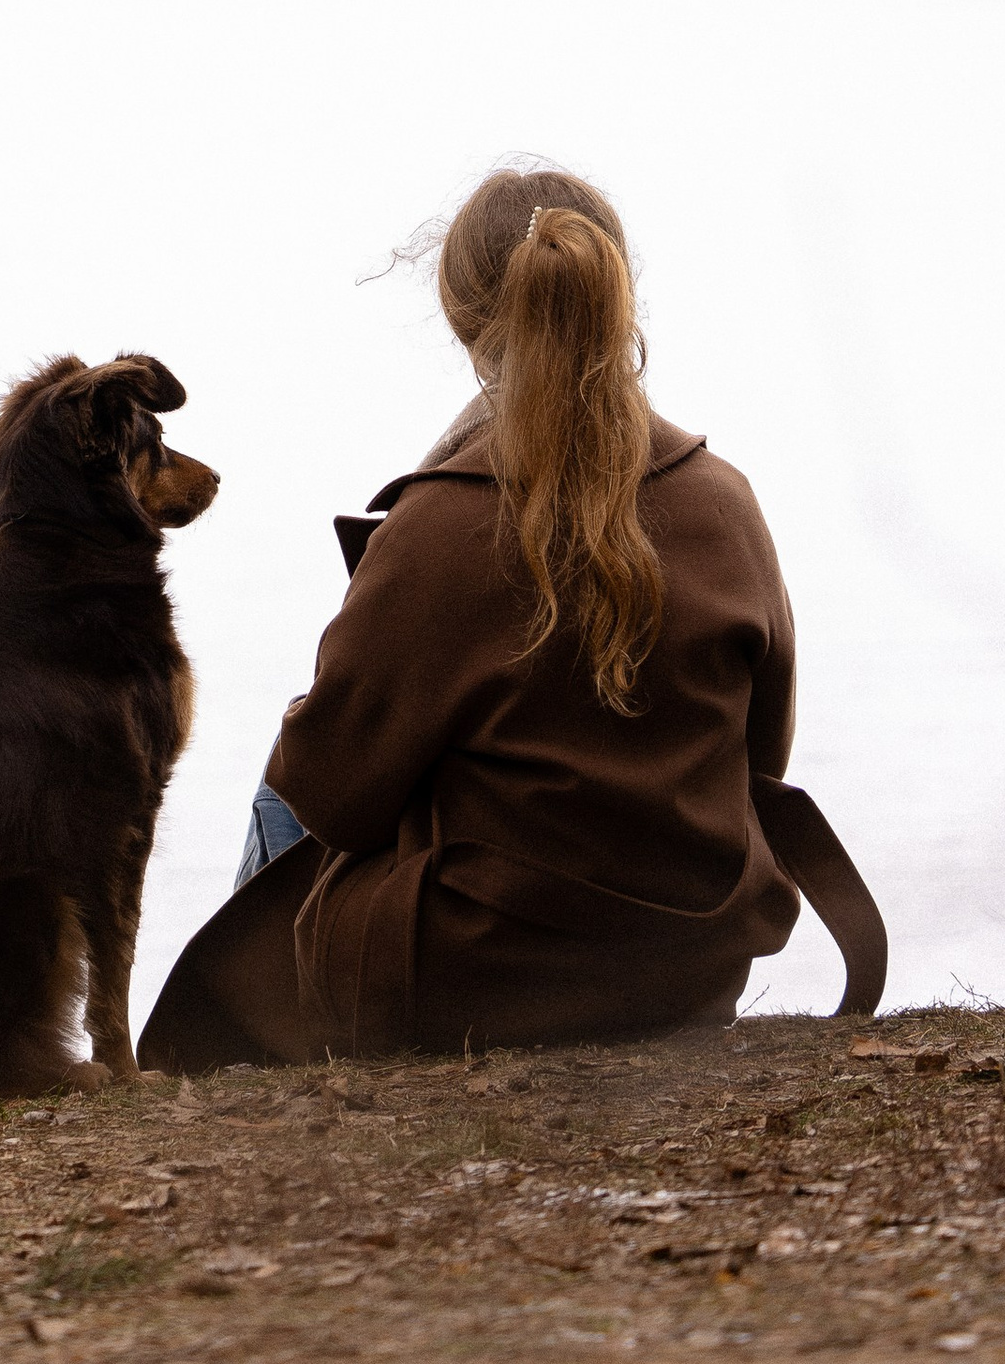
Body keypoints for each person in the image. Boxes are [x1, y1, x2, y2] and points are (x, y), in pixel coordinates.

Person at [136, 163, 882, 1069]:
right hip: (691, 967)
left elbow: (330, 787)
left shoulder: (441, 523)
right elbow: (762, 757)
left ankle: (247, 1042)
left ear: (462, 319)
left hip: (470, 982)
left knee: (283, 775)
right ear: (617, 294)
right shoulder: (724, 500)